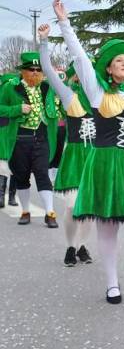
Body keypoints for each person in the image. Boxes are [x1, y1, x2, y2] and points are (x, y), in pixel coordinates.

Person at [53, 0, 124, 304]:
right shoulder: (97, 93)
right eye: (119, 60)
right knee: (107, 227)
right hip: (106, 163)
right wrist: (65, 24)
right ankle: (112, 284)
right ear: (108, 68)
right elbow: (80, 58)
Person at [39, 24, 95, 266]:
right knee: (72, 206)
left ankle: (82, 246)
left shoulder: (102, 97)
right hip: (75, 157)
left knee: (90, 209)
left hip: (96, 157)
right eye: (80, 73)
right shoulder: (69, 96)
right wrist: (44, 41)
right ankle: (70, 247)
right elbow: (48, 70)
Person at [0, 52, 60, 227]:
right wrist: (17, 109)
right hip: (19, 139)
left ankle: (50, 213)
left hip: (42, 138)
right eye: (31, 69)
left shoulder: (47, 87)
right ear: (23, 71)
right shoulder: (11, 87)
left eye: (38, 69)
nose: (35, 72)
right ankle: (25, 211)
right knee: (22, 176)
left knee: (42, 174)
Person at [0, 73, 19, 208]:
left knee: (14, 164)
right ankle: (3, 196)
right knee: (4, 164)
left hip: (16, 131)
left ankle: (10, 195)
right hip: (5, 130)